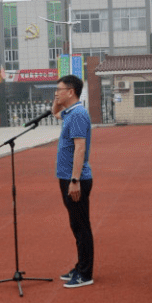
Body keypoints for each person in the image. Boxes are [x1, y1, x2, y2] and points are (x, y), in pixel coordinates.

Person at [53, 75, 94, 288]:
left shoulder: (77, 114)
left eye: (59, 90)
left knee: (81, 226)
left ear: (71, 92)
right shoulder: (69, 113)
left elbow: (80, 147)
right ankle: (80, 265)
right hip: (66, 177)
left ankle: (86, 273)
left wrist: (75, 179)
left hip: (75, 179)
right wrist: (56, 100)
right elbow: (54, 112)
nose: (56, 93)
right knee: (75, 225)